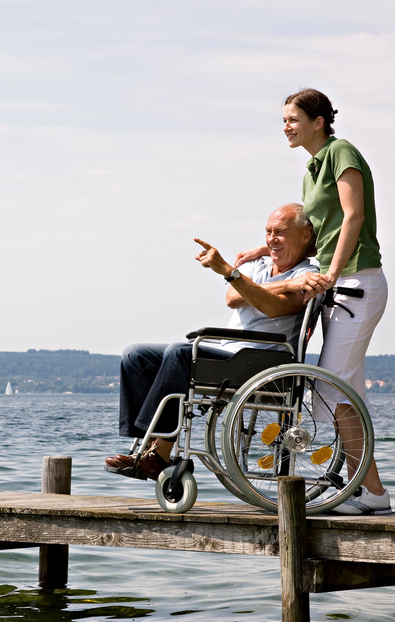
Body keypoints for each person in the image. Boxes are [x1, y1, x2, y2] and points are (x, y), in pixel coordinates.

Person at [235, 89, 390, 515]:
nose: (286, 126)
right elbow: (313, 234)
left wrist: (334, 272)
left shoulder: (341, 152)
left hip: (357, 282)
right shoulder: (311, 168)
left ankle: (371, 492)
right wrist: (261, 252)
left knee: (332, 388)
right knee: (345, 389)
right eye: (283, 120)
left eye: (293, 119)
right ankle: (369, 489)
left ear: (318, 121)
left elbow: (353, 216)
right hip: (340, 286)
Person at [106, 203, 318, 480]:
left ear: (305, 235)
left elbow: (274, 308)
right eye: (268, 232)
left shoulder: (307, 274)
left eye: (280, 232)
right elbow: (232, 298)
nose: (271, 239)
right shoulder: (257, 264)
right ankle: (145, 444)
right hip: (228, 351)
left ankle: (159, 453)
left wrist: (234, 274)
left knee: (181, 353)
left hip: (262, 360)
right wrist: (277, 284)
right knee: (135, 354)